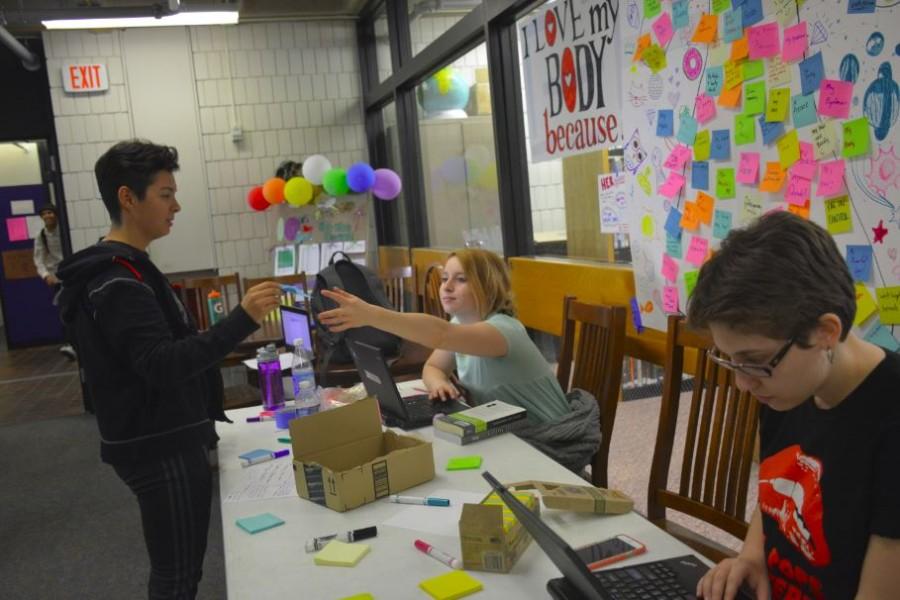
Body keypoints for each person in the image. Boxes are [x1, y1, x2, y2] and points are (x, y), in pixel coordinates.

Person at [56, 140, 282, 600]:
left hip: (162, 435)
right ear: (127, 197)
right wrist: (242, 320)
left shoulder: (130, 268)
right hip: (158, 445)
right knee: (177, 577)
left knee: (180, 571)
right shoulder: (116, 279)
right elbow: (162, 364)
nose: (176, 205)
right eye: (164, 194)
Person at [687, 212, 900, 600]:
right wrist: (751, 557)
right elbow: (777, 484)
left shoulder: (888, 420)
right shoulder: (787, 385)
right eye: (730, 360)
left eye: (753, 360)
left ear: (825, 332)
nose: (742, 382)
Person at [319, 249, 600, 472]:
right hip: (511, 434)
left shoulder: (502, 331)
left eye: (461, 279)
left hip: (551, 445)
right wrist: (439, 382)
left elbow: (440, 335)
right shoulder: (460, 323)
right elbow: (433, 366)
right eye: (444, 279)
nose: (447, 287)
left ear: (489, 287)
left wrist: (373, 315)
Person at [32, 203, 76, 360]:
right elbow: (38, 259)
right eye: (44, 213)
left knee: (74, 307)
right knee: (64, 310)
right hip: (57, 279)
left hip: (71, 275)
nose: (47, 216)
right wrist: (45, 275)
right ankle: (70, 343)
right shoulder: (41, 236)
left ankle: (76, 342)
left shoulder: (64, 230)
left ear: (56, 215)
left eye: (50, 212)